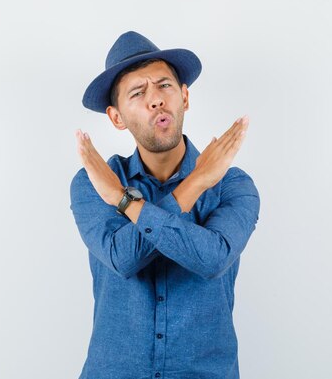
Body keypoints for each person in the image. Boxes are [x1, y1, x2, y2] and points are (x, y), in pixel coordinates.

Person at [69, 31, 261, 379]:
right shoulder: (94, 182)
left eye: (164, 86)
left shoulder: (233, 185)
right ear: (116, 117)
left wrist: (124, 202)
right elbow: (124, 258)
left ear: (184, 97)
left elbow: (211, 259)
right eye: (138, 93)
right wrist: (195, 183)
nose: (155, 100)